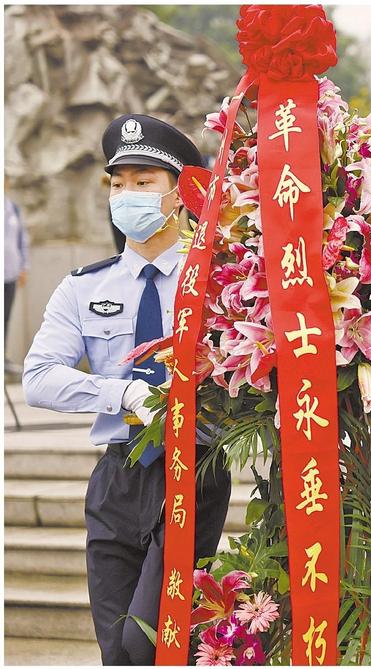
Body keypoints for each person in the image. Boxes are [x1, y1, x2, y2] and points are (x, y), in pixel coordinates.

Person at [22, 114, 231, 665]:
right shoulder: (83, 287)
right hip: (118, 475)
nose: (127, 195)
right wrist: (121, 395)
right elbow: (39, 377)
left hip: (195, 468)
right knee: (117, 648)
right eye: (119, 184)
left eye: (144, 183)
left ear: (180, 194)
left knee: (154, 642)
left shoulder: (220, 281)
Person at [4, 176, 29, 361]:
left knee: (5, 317)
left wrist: (23, 267)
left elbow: (22, 240)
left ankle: (2, 357)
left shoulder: (13, 208)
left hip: (10, 273)